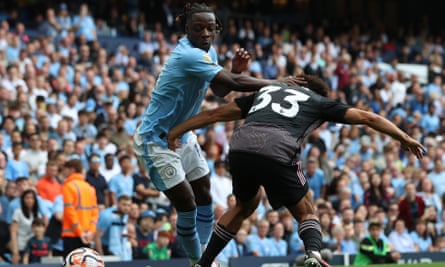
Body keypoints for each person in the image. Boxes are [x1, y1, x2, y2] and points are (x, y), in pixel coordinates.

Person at [167, 74, 425, 267]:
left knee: (245, 205)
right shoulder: (319, 102)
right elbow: (370, 118)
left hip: (240, 147)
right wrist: (403, 137)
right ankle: (313, 254)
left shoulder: (266, 92)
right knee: (307, 210)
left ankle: (203, 263)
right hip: (278, 148)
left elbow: (216, 114)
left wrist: (176, 131)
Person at [132, 2, 304, 264]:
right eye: (198, 28)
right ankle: (198, 260)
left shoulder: (208, 52)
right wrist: (276, 83)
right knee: (187, 203)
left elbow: (221, 89)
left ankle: (204, 254)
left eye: (210, 28)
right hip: (155, 139)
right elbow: (233, 84)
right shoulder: (187, 55)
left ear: (216, 30)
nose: (204, 33)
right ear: (186, 28)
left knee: (204, 193)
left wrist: (234, 71)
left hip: (182, 135)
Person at [61, 159, 99, 257]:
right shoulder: (90, 188)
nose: (63, 172)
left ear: (72, 170)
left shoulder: (68, 186)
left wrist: (80, 231)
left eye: (65, 169)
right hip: (87, 235)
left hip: (72, 235)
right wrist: (91, 231)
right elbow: (94, 213)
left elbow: (70, 212)